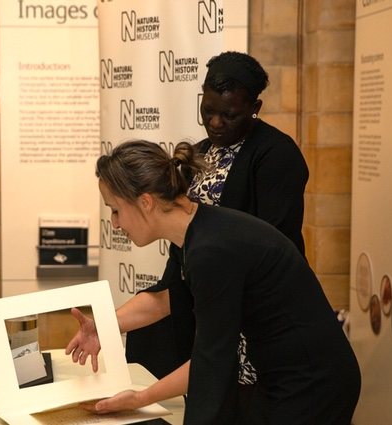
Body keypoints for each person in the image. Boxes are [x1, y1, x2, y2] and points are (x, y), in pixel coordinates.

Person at [71, 140, 360, 424]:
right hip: (285, 373)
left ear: (145, 202)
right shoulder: (196, 232)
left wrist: (140, 399)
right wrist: (103, 325)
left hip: (313, 382)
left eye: (116, 210)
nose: (115, 223)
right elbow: (170, 298)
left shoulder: (210, 251)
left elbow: (212, 361)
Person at [123, 50, 309, 407]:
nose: (216, 122)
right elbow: (182, 258)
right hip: (215, 311)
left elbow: (272, 245)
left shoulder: (276, 155)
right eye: (208, 110)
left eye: (230, 114)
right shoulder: (198, 155)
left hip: (258, 320)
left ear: (255, 107)